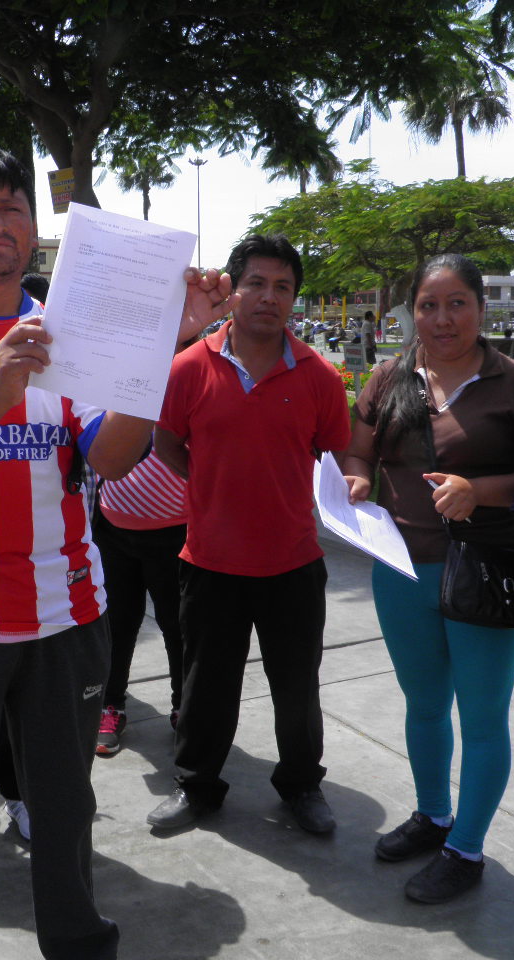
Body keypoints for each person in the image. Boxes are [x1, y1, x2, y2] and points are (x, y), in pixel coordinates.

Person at [0, 141, 231, 960]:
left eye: (11, 206)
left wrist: (160, 351)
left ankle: (78, 943)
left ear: (33, 227)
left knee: (66, 816)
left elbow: (107, 457)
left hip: (65, 620)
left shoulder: (78, 331)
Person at [341, 254, 514, 902]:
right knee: (423, 704)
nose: (442, 317)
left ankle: (467, 848)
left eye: (457, 302)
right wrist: (358, 478)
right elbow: (359, 447)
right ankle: (434, 816)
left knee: (482, 717)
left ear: (482, 308)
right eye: (429, 304)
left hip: (484, 568)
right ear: (412, 311)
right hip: (401, 568)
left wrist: (476, 489)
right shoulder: (390, 375)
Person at [147, 234, 351, 835]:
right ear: (233, 290)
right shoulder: (188, 368)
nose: (268, 297)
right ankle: (197, 786)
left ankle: (301, 785)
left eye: (283, 287)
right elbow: (166, 443)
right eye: (256, 283)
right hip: (210, 560)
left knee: (296, 688)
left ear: (294, 298)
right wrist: (212, 485)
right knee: (207, 685)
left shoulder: (317, 374)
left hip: (293, 562)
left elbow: (332, 457)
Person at [91, 448, 187, 755]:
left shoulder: (187, 396)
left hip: (178, 532)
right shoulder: (118, 396)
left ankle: (185, 707)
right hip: (111, 527)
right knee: (116, 622)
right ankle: (110, 705)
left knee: (179, 625)